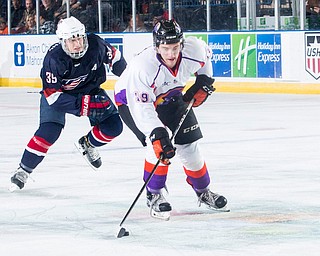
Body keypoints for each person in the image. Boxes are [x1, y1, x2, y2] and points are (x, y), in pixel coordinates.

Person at [114, 19, 228, 220]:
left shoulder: (195, 49)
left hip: (170, 97)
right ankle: (154, 194)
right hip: (131, 102)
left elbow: (206, 60)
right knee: (159, 147)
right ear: (156, 46)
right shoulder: (143, 67)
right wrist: (157, 133)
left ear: (182, 44)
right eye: (166, 48)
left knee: (190, 145)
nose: (171, 54)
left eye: (175, 47)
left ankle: (203, 191)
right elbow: (142, 108)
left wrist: (204, 81)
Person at [10, 16, 127, 191]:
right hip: (61, 96)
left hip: (90, 89)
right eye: (72, 40)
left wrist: (130, 81)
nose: (78, 44)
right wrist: (86, 105)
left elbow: (117, 61)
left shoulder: (96, 44)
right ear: (63, 41)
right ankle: (24, 170)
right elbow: (53, 97)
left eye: (80, 37)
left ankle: (87, 144)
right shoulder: (54, 59)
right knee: (49, 131)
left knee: (114, 127)